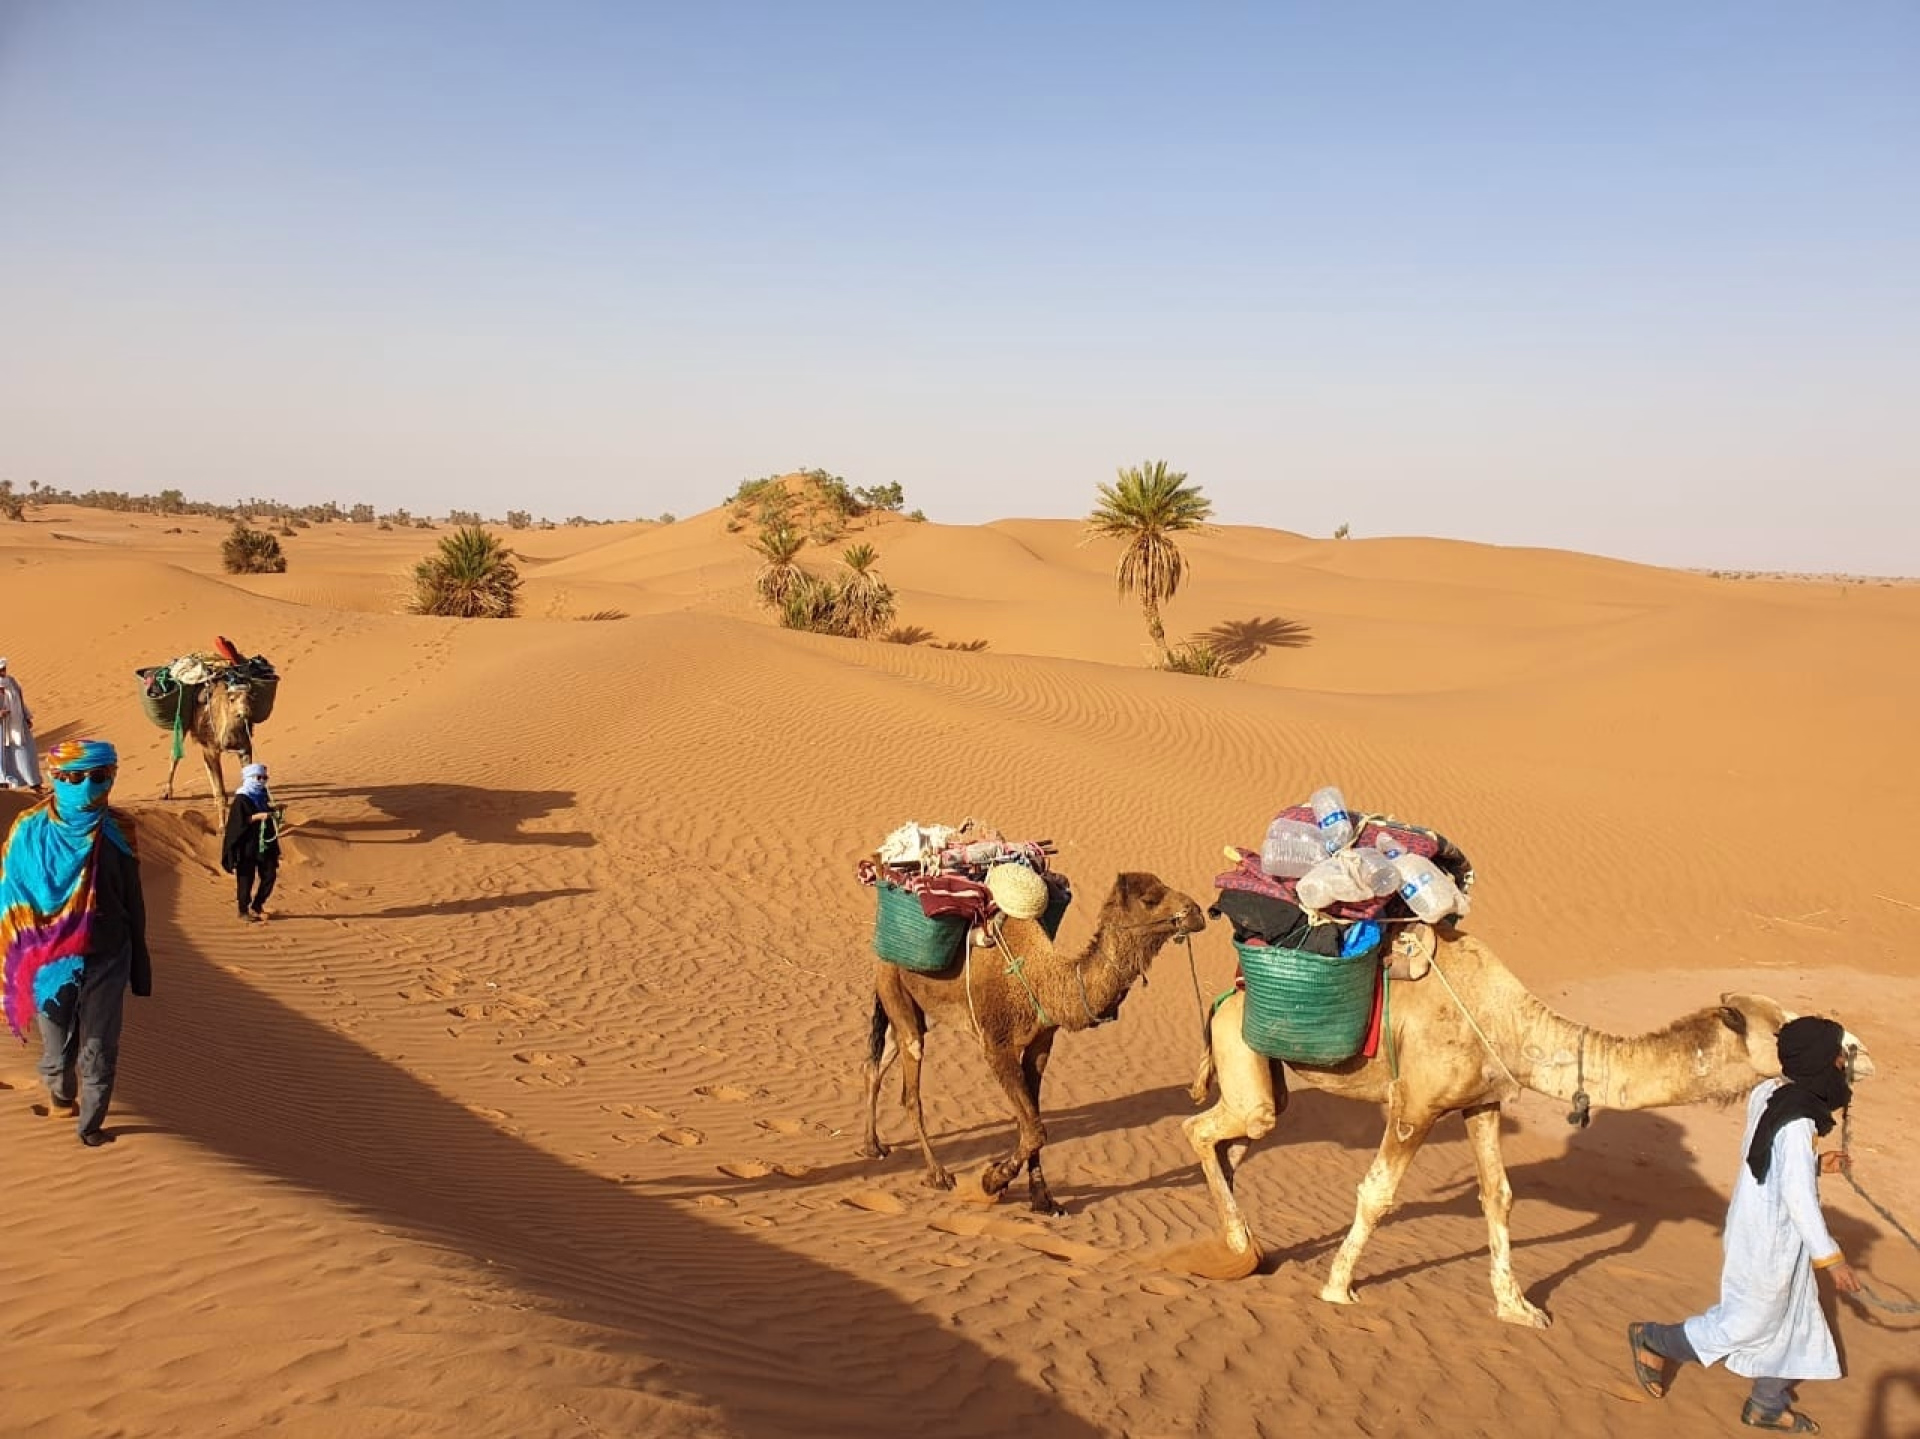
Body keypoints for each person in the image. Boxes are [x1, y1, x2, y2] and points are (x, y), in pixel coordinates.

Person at [1627, 1015, 1862, 1434]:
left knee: (1795, 1318)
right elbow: (1798, 1198)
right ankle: (1654, 1339)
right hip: (1768, 1237)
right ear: (1818, 1061)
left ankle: (1767, 1403)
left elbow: (1764, 1155)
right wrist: (1833, 1259)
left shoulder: (1771, 1093)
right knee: (1746, 1322)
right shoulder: (1798, 1121)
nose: (1841, 1065)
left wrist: (1814, 1164)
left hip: (1769, 1229)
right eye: (1835, 1057)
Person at [0, 739, 152, 1146]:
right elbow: (11, 899)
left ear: (111, 777)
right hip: (48, 957)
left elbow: (133, 900)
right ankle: (61, 1097)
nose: (85, 786)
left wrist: (140, 964)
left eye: (97, 777)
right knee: (55, 1050)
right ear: (55, 778)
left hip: (109, 952)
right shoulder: (28, 831)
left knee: (99, 1048)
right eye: (72, 778)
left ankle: (91, 1127)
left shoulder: (119, 830)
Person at [221, 761, 280, 922]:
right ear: (250, 778)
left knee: (269, 875)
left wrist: (274, 811)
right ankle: (243, 910)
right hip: (246, 845)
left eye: (264, 778)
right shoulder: (242, 798)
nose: (262, 781)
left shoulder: (263, 795)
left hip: (264, 843)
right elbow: (236, 823)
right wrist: (257, 817)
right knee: (246, 878)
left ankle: (257, 905)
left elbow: (267, 813)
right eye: (259, 777)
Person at [0, 657, 41, 790]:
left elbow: (19, 699)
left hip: (17, 725)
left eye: (3, 669)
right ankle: (3, 785)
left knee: (26, 752)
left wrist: (26, 716)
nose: (3, 672)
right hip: (1, 728)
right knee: (2, 757)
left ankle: (34, 784)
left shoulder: (11, 681)